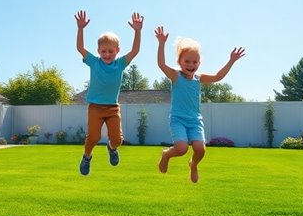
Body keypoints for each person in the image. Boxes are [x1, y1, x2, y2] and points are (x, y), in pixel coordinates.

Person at [154, 26, 245, 183]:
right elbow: (161, 64)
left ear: (199, 63)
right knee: (182, 149)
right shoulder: (175, 76)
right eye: (187, 61)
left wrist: (231, 60)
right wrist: (161, 43)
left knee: (200, 150)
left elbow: (217, 76)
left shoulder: (199, 78)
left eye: (194, 62)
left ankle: (193, 164)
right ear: (179, 62)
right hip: (178, 119)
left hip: (195, 120)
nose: (191, 65)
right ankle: (166, 154)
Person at [75, 10, 143, 175]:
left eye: (110, 51)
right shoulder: (94, 62)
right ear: (98, 51)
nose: (107, 54)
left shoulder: (120, 64)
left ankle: (111, 148)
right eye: (104, 51)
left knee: (118, 140)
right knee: (93, 137)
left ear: (117, 50)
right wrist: (81, 28)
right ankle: (87, 156)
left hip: (112, 108)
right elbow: (80, 47)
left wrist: (137, 31)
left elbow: (134, 51)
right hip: (95, 107)